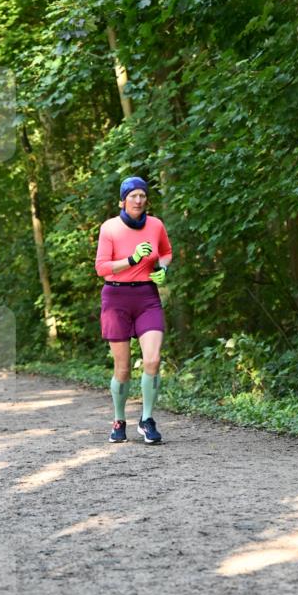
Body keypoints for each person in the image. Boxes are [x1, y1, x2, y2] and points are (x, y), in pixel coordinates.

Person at [95, 177, 172, 444]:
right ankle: (119, 420)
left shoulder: (156, 225)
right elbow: (101, 268)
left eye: (142, 196)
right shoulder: (110, 228)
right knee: (123, 368)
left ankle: (147, 420)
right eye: (133, 196)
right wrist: (132, 259)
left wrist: (162, 270)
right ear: (123, 200)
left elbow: (166, 252)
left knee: (152, 360)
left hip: (147, 297)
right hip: (116, 298)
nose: (138, 200)